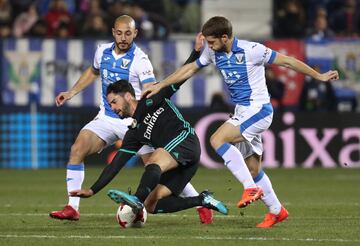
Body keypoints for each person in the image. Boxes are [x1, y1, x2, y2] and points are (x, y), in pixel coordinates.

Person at [143, 16, 339, 228]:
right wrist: (161, 84)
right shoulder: (212, 52)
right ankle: (277, 210)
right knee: (253, 169)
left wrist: (318, 76)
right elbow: (190, 69)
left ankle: (249, 188)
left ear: (225, 38)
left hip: (259, 109)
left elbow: (288, 61)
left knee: (217, 139)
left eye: (212, 42)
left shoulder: (252, 50)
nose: (208, 46)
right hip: (242, 111)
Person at [50, 15, 212, 223]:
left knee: (156, 166)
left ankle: (198, 202)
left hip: (133, 122)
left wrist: (147, 108)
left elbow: (151, 89)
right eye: (119, 33)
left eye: (128, 33)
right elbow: (93, 71)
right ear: (113, 32)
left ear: (135, 34)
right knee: (77, 149)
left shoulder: (140, 60)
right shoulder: (102, 52)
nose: (123, 38)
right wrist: (72, 92)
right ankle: (72, 207)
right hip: (107, 117)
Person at [70, 79, 228, 218]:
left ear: (127, 96)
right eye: (110, 104)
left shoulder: (152, 97)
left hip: (186, 141)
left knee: (154, 159)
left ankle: (137, 198)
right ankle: (201, 200)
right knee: (151, 204)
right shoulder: (133, 133)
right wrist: (92, 190)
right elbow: (115, 165)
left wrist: (196, 53)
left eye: (114, 102)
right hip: (182, 164)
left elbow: (181, 77)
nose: (112, 108)